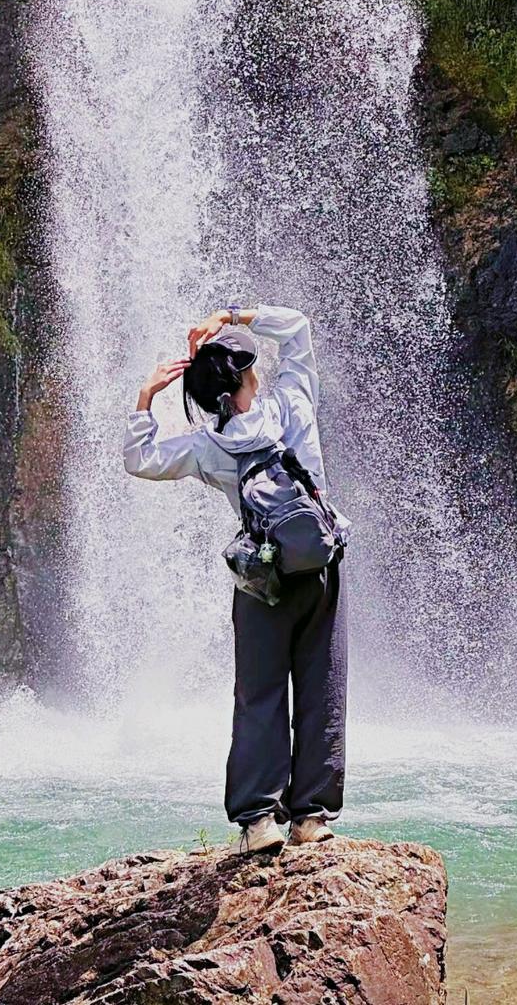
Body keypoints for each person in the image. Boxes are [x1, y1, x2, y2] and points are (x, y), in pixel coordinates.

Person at [123, 305, 347, 855]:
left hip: (260, 578)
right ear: (248, 378)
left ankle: (257, 822)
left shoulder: (208, 447)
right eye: (251, 368)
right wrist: (232, 315)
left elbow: (140, 458)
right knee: (322, 689)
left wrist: (146, 397)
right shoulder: (292, 406)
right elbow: (295, 327)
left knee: (259, 693)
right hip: (319, 566)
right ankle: (311, 818)